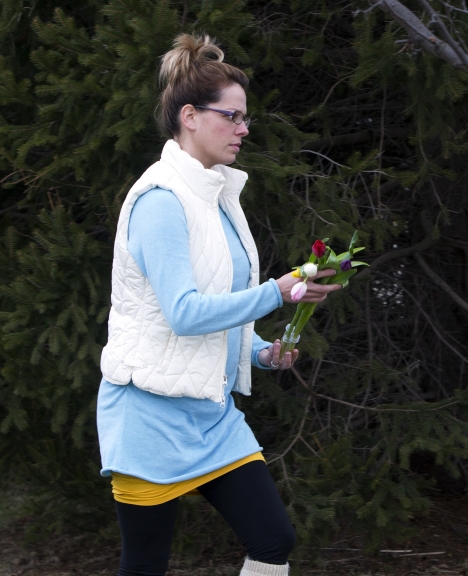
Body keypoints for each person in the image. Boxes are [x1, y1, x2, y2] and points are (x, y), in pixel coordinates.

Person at [96, 33, 338, 576]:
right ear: (189, 116)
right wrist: (276, 291)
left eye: (245, 118)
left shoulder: (220, 197)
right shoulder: (159, 201)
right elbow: (183, 313)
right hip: (148, 415)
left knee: (273, 540)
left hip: (212, 416)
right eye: (231, 116)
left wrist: (260, 351)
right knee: (146, 566)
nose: (243, 129)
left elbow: (220, 309)